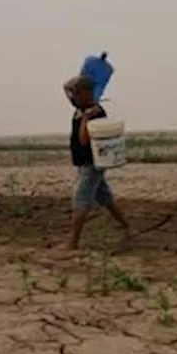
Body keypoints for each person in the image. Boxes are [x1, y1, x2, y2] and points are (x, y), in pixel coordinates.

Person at [59, 74, 131, 252]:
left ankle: (72, 242)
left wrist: (85, 119)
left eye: (77, 93)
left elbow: (84, 140)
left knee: (81, 201)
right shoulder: (80, 107)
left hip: (91, 164)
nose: (73, 96)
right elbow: (66, 88)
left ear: (86, 93)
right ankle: (126, 227)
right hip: (86, 164)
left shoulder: (95, 112)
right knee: (106, 199)